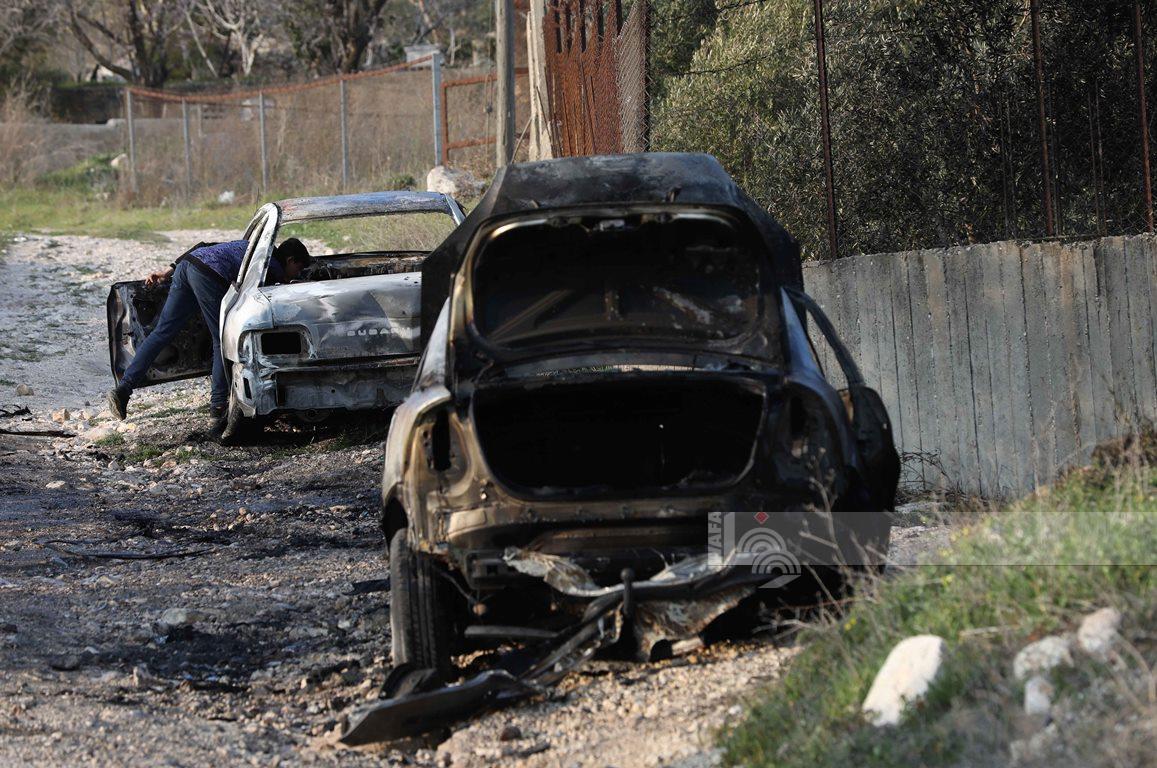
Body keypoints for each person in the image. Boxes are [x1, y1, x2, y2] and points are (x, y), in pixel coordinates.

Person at [106, 237, 312, 430]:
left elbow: (202, 246)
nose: (298, 273)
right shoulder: (270, 263)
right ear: (290, 260)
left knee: (161, 332)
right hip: (207, 276)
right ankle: (217, 409)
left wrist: (166, 272)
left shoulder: (249, 243)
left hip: (187, 266)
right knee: (221, 341)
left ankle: (124, 389)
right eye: (299, 268)